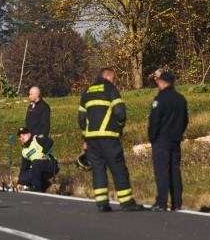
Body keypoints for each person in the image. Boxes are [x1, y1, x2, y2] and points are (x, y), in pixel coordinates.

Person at [78, 66, 141, 212]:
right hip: (109, 137)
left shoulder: (87, 92)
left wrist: (85, 137)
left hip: (92, 139)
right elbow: (120, 112)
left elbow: (81, 118)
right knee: (118, 168)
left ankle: (102, 203)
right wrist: (119, 126)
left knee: (98, 169)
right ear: (108, 77)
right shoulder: (110, 89)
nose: (114, 81)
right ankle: (126, 202)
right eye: (114, 79)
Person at [147, 69, 188, 211]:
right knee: (175, 171)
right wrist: (179, 134)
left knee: (162, 171)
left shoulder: (160, 99)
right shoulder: (181, 99)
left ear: (162, 83)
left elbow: (154, 121)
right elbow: (185, 120)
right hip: (175, 140)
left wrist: (152, 138)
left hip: (161, 140)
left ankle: (162, 202)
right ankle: (177, 202)